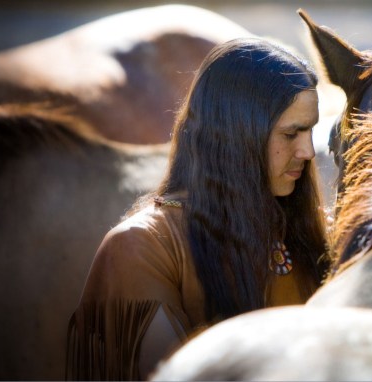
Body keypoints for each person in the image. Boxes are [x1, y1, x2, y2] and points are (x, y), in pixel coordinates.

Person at [66, 37, 329, 380]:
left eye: (310, 131)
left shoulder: (319, 231)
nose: (308, 151)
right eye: (291, 134)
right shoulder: (141, 249)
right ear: (235, 135)